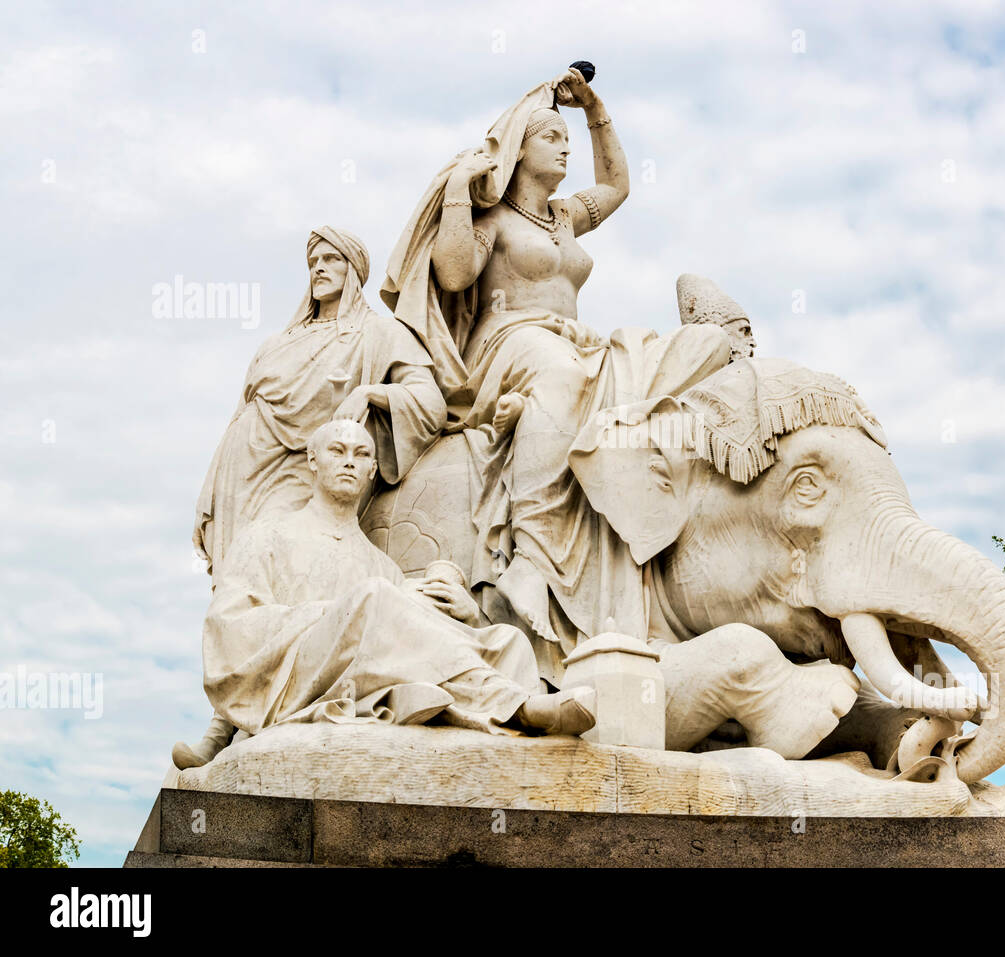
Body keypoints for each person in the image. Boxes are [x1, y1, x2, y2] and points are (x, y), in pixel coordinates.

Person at [382, 69, 732, 665]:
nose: (565, 145)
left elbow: (618, 185)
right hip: (509, 345)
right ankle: (533, 559)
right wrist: (461, 196)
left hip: (574, 342)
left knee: (702, 348)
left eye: (567, 137)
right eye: (551, 136)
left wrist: (594, 106)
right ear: (520, 150)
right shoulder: (494, 223)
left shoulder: (566, 217)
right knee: (563, 377)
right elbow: (454, 275)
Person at [179, 227, 448, 767]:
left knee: (293, 586)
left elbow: (429, 401)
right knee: (240, 587)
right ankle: (229, 714)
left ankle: (234, 724)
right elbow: (242, 411)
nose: (320, 268)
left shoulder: (376, 334)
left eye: (332, 259)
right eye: (313, 261)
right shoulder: (278, 342)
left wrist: (371, 393)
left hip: (310, 473)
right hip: (245, 467)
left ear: (354, 270)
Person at [199, 419, 596, 741]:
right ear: (313, 461)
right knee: (374, 600)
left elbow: (413, 638)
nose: (349, 461)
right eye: (337, 451)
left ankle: (516, 717)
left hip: (371, 676)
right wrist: (338, 616)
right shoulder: (267, 535)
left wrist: (467, 617)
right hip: (294, 676)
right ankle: (514, 706)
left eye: (361, 454)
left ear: (372, 469)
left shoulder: (381, 566)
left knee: (507, 642)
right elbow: (229, 629)